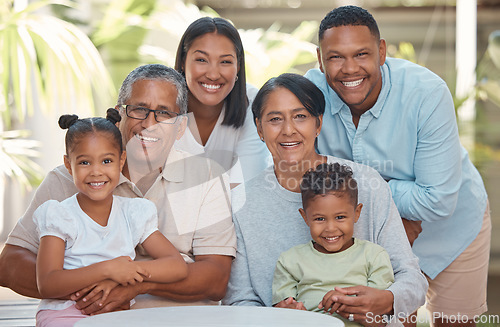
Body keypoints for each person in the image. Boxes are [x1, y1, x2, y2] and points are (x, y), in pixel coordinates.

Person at [305, 6, 491, 326]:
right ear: (320, 60)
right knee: (386, 321)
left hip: (452, 228)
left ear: (381, 51)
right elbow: (299, 174)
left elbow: (437, 200)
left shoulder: (425, 93)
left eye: (361, 54)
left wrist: (368, 190)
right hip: (373, 235)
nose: (350, 68)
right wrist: (391, 204)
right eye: (335, 57)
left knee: (454, 322)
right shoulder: (309, 94)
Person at [0, 64, 236, 314]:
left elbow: (216, 279)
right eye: (138, 109)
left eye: (164, 114)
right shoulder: (67, 178)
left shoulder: (207, 176)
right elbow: (10, 265)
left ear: (180, 127)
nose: (149, 124)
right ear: (118, 114)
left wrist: (135, 285)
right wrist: (96, 286)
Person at [223, 73, 427, 326]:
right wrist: (274, 317)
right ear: (259, 128)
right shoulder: (242, 203)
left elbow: (411, 277)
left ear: (318, 124)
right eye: (275, 119)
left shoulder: (365, 183)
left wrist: (386, 300)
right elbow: (239, 300)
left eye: (300, 117)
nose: (288, 130)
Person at [35, 112, 188, 326]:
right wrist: (108, 269)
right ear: (68, 165)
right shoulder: (61, 215)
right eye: (84, 162)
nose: (96, 171)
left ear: (121, 160)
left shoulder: (132, 214)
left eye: (107, 161)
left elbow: (177, 266)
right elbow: (48, 283)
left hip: (116, 313)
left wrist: (129, 275)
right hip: (64, 313)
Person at [272, 163, 394, 327]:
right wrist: (291, 313)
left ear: (356, 213)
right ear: (305, 217)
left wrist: (350, 309)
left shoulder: (373, 256)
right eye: (320, 219)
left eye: (340, 217)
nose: (330, 228)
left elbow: (381, 321)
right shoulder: (290, 261)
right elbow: (279, 314)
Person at [174, 17, 270, 186]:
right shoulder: (161, 103)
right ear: (183, 61)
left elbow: (245, 188)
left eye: (225, 61)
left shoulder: (254, 104)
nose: (213, 74)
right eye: (202, 60)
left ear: (238, 66)